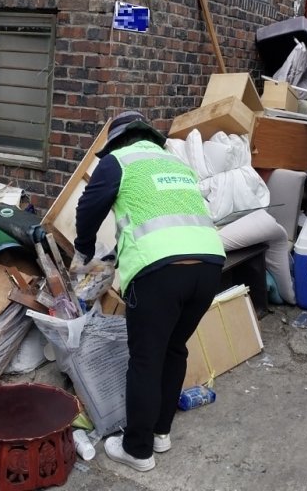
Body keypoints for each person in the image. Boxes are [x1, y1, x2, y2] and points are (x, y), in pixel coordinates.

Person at [72, 110, 226, 472]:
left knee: (145, 358)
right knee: (174, 348)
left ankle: (137, 450)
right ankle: (160, 432)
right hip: (209, 266)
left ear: (117, 141)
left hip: (159, 271)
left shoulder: (117, 162)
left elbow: (89, 206)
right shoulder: (174, 163)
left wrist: (83, 249)